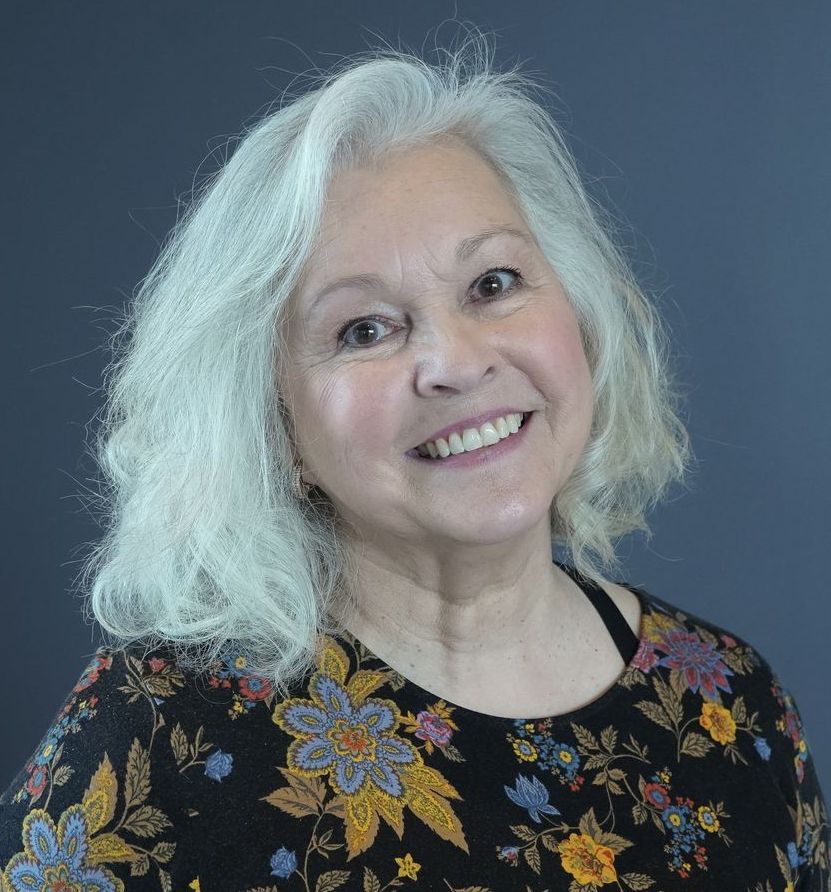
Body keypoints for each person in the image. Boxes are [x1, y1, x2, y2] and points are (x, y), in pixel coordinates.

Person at [1, 32, 828, 892]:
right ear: (273, 428)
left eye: (494, 284)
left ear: (579, 316)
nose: (457, 362)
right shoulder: (157, 737)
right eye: (364, 329)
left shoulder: (729, 701)